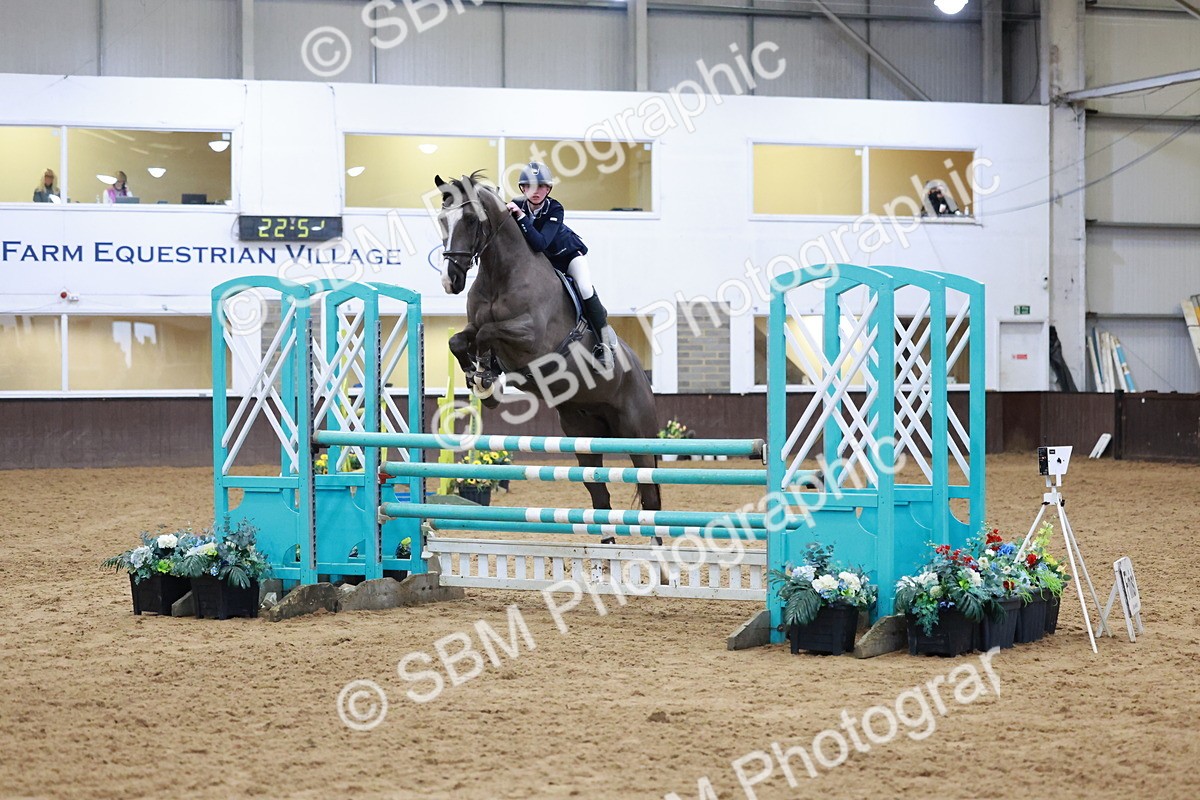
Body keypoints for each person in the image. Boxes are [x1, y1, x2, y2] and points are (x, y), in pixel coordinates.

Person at [506, 162, 618, 368]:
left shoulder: (555, 208)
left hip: (567, 257)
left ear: (548, 189)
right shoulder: (516, 204)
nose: (536, 191)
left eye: (541, 187)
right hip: (543, 264)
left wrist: (520, 217)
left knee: (584, 287)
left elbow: (540, 243)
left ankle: (604, 342)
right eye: (529, 186)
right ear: (522, 188)